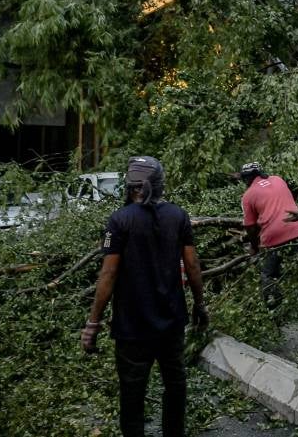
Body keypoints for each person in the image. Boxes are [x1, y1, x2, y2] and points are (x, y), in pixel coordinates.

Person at [81, 156, 208, 437]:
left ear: (131, 186)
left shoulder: (120, 220)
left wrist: (93, 323)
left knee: (132, 393)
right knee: (175, 385)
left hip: (131, 328)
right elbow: (193, 266)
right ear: (160, 185)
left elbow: (108, 275)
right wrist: (200, 305)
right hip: (171, 322)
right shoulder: (178, 216)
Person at [239, 161, 298, 329]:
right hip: (297, 229)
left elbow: (250, 227)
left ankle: (275, 316)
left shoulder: (248, 195)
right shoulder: (279, 179)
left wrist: (255, 246)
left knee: (268, 276)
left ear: (246, 179)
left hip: (273, 237)